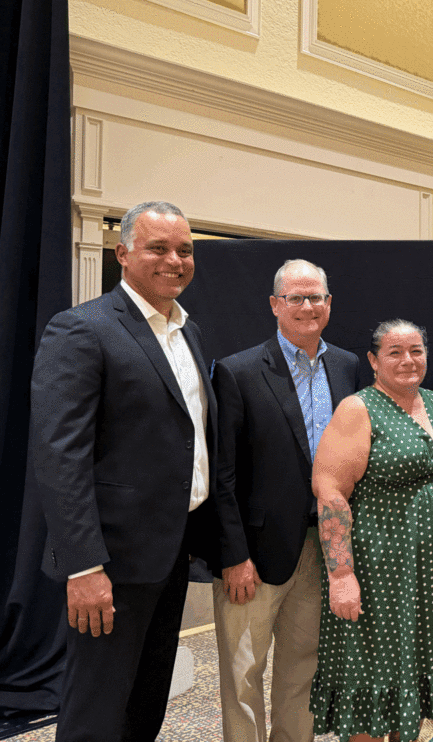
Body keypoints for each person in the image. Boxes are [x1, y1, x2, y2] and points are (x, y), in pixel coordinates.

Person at [30, 201, 220, 741]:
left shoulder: (189, 331)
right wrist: (83, 566)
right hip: (109, 564)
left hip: (169, 552)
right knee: (96, 710)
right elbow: (59, 455)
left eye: (184, 249)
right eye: (157, 248)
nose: (175, 260)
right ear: (122, 254)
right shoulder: (81, 329)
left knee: (146, 701)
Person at [210, 259, 360, 742]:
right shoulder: (237, 372)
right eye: (295, 297)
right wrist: (233, 556)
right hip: (253, 554)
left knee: (304, 670)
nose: (307, 306)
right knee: (243, 675)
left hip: (323, 547)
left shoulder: (347, 365)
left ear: (330, 305)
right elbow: (223, 476)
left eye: (316, 297)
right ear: (275, 305)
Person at [309, 319, 433, 742]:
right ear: (373, 360)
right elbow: (330, 494)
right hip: (378, 568)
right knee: (372, 674)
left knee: (413, 676)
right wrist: (341, 575)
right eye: (394, 352)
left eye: (416, 350)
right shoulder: (358, 409)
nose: (407, 360)